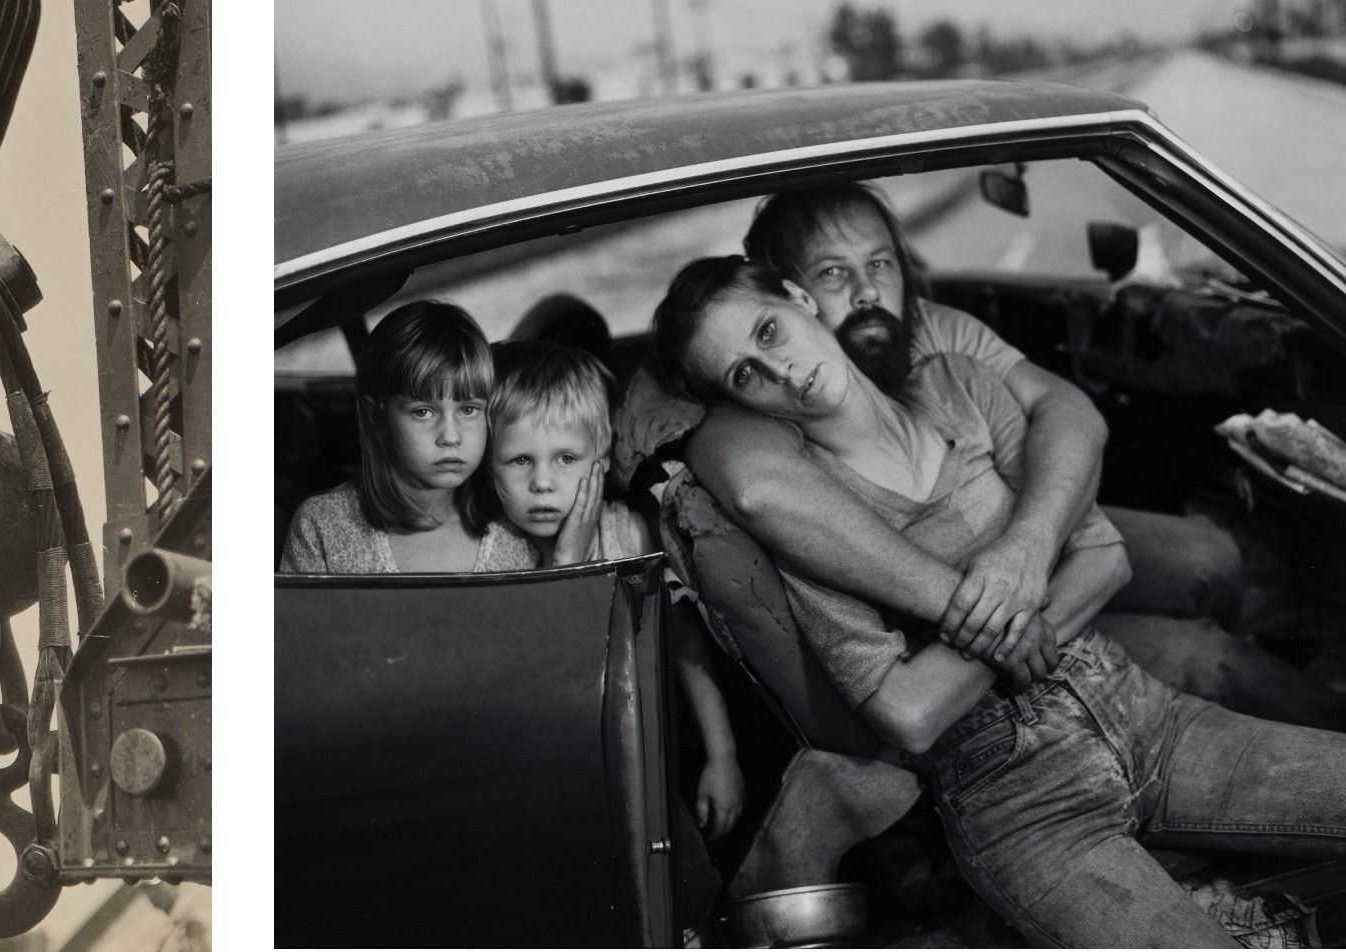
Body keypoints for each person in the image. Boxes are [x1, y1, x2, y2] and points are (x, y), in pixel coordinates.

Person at [652, 256, 1346, 947]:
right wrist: (1018, 624)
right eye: (745, 375)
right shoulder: (810, 522)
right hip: (1013, 794)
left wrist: (1018, 568)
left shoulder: (959, 385)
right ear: (740, 404)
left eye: (769, 331)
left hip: (1141, 707)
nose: (778, 370)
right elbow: (908, 714)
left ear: (802, 298)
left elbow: (1106, 557)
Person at [621, 185, 1250, 677]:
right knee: (1198, 655)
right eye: (834, 273)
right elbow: (753, 482)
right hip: (956, 626)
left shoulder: (934, 331)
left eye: (880, 263)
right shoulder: (764, 387)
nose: (869, 291)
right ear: (794, 292)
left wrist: (1030, 545)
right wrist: (997, 617)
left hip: (1032, 536)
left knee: (1210, 558)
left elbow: (1068, 410)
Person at [483, 340, 743, 838]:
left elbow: (685, 643)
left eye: (565, 458)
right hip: (548, 772)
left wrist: (723, 754)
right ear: (488, 467)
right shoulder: (490, 554)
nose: (542, 482)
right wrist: (566, 565)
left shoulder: (630, 536)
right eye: (519, 460)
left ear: (600, 463)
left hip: (647, 749)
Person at [280, 301, 537, 573]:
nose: (450, 436)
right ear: (377, 418)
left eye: (469, 409)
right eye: (423, 412)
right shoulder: (323, 527)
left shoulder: (516, 524)